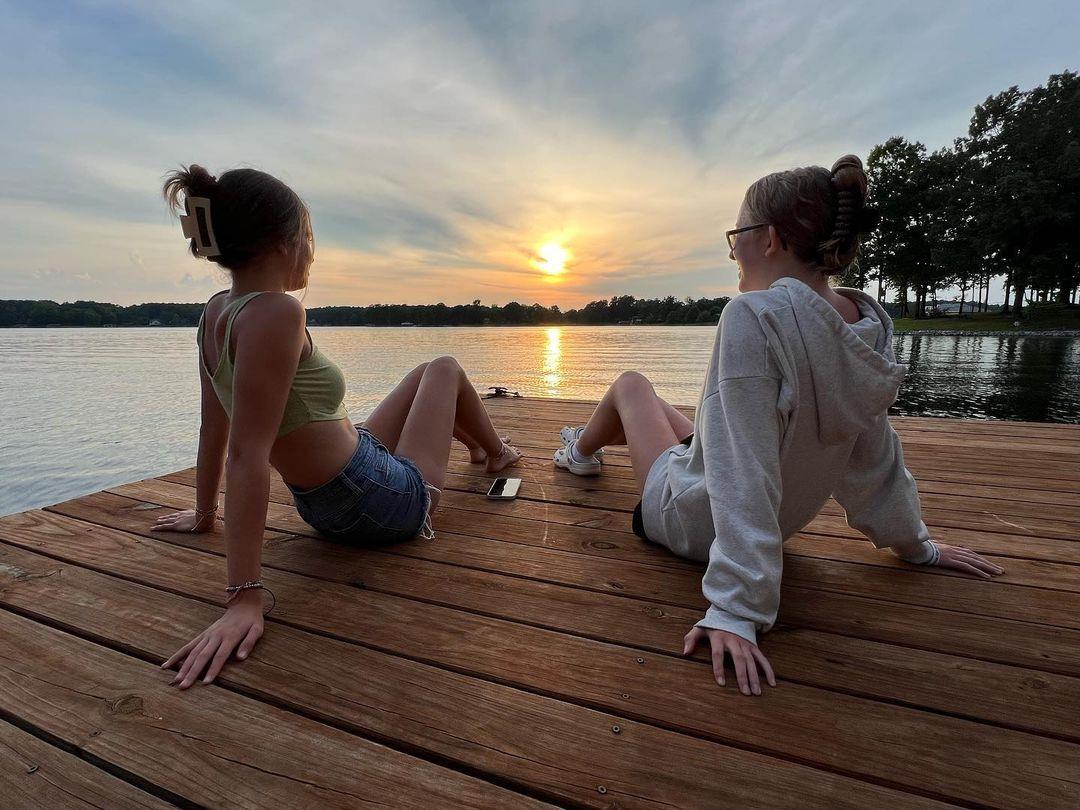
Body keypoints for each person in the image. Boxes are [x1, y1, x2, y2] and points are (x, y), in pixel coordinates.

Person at [553, 155, 1005, 696]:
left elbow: (744, 470)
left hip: (691, 522)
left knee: (631, 385)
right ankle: (583, 448)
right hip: (773, 521)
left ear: (768, 238)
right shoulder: (863, 328)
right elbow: (873, 455)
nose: (732, 250)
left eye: (735, 234)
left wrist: (736, 609)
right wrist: (914, 543)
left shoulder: (753, 316)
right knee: (696, 428)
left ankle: (578, 453)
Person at [151, 165, 521, 690]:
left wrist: (205, 513)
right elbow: (246, 455)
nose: (312, 252)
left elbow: (214, 428)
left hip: (329, 495)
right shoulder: (278, 311)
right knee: (444, 367)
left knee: (425, 376)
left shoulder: (216, 313)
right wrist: (244, 597)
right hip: (379, 503)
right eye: (309, 237)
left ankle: (491, 449)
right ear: (284, 243)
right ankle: (498, 454)